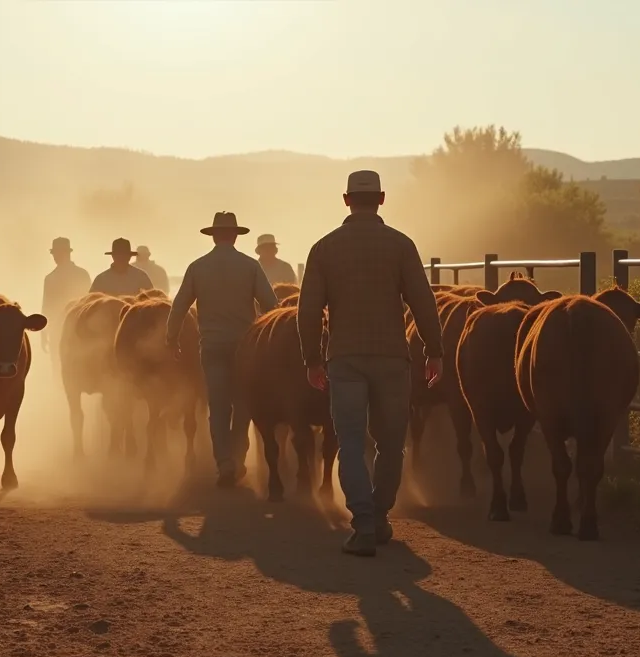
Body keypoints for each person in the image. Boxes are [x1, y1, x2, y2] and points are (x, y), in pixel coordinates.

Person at [297, 169, 442, 558]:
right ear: (381, 199)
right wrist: (435, 350)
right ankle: (379, 515)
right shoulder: (400, 245)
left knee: (350, 441)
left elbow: (307, 310)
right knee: (392, 443)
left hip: (344, 357)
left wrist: (311, 358)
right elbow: (423, 303)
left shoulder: (324, 248)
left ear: (346, 200)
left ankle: (362, 523)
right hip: (393, 357)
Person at [167, 212, 278, 487]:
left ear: (214, 236)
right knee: (242, 405)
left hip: (212, 345)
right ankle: (239, 459)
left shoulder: (198, 267)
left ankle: (224, 463)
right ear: (236, 235)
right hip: (244, 348)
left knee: (217, 406)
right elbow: (271, 306)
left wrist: (172, 338)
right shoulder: (250, 266)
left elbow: (179, 306)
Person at [41, 236, 91, 358]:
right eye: (54, 253)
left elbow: (89, 301)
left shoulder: (80, 275)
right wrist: (44, 331)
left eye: (58, 253)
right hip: (61, 328)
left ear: (67, 253)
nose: (55, 256)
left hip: (78, 328)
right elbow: (47, 306)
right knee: (60, 361)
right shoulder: (51, 278)